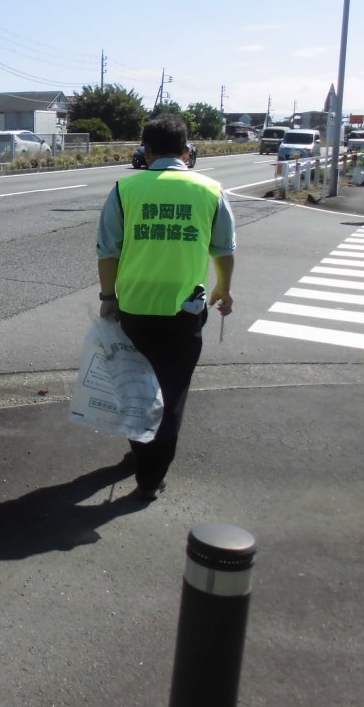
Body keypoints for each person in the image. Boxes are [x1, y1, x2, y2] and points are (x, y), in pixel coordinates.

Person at [95, 114, 236, 501]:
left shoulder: (125, 188)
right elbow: (224, 248)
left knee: (134, 384)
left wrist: (108, 298)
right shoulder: (210, 189)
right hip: (184, 312)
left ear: (147, 151)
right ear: (187, 151)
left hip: (134, 308)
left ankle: (140, 452)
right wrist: (223, 289)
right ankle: (151, 478)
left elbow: (108, 251)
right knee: (172, 393)